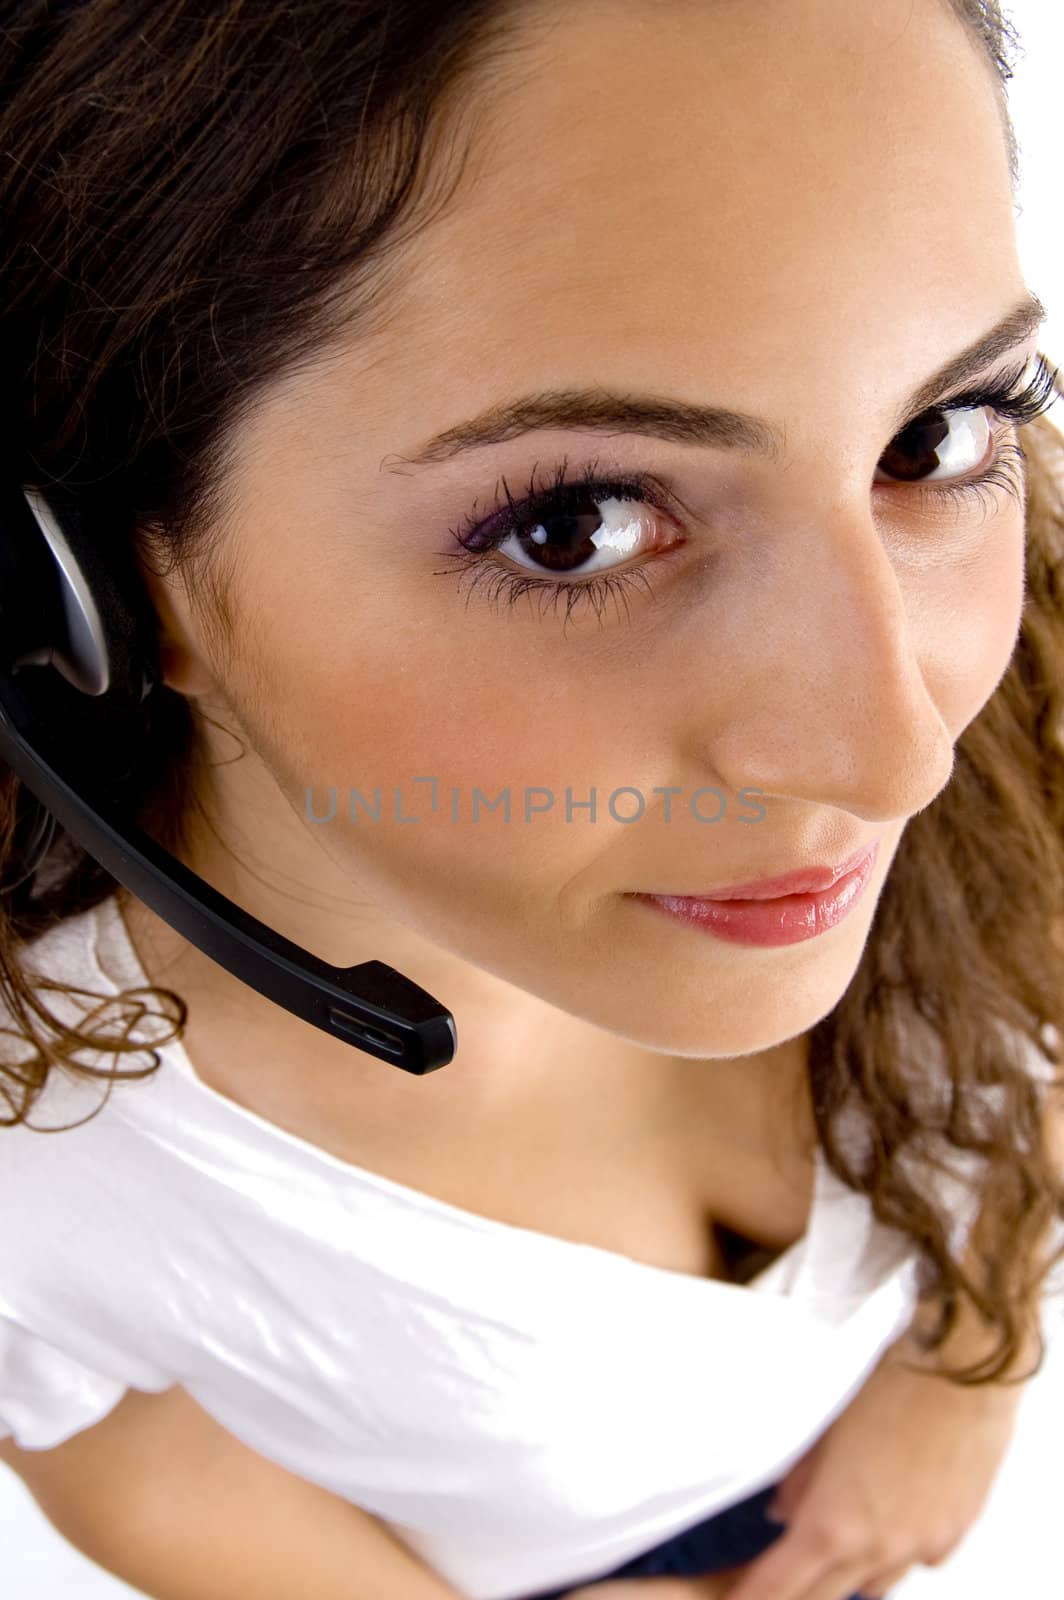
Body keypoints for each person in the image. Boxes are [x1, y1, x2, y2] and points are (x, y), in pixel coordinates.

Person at [1, 2, 1062, 1599]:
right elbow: (125, 1451)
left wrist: (969, 1371)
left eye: (938, 430)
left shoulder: (1019, 651)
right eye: (576, 525)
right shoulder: (45, 1148)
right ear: (97, 588)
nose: (900, 756)